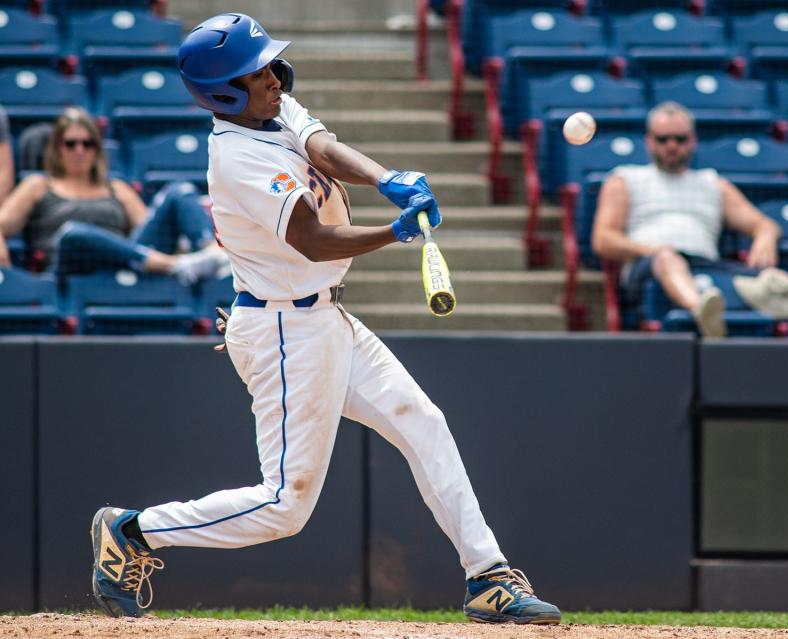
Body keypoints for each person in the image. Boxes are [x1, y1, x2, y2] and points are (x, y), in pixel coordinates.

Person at [89, 13, 561, 626]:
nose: (273, 77)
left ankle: (488, 577)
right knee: (285, 506)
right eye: (255, 73)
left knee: (423, 422)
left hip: (323, 318)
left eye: (267, 65)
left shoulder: (270, 108)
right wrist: (394, 232)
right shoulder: (236, 157)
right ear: (224, 92)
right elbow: (313, 239)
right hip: (285, 333)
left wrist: (386, 178)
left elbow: (321, 145)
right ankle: (134, 531)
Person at [592, 101, 788, 338]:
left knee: (772, 278)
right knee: (667, 258)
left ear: (693, 140)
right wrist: (652, 250)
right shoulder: (624, 180)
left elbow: (763, 224)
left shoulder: (713, 184)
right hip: (650, 268)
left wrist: (765, 236)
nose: (672, 146)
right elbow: (603, 239)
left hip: (706, 264)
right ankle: (701, 309)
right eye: (663, 139)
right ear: (649, 141)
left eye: (680, 139)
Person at [0, 107, 226, 284]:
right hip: (71, 270)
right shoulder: (37, 185)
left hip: (125, 265)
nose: (80, 150)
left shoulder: (116, 188)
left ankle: (213, 256)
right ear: (57, 149)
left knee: (179, 191)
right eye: (71, 144)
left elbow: (148, 230)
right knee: (74, 233)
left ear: (97, 149)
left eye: (87, 144)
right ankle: (175, 266)